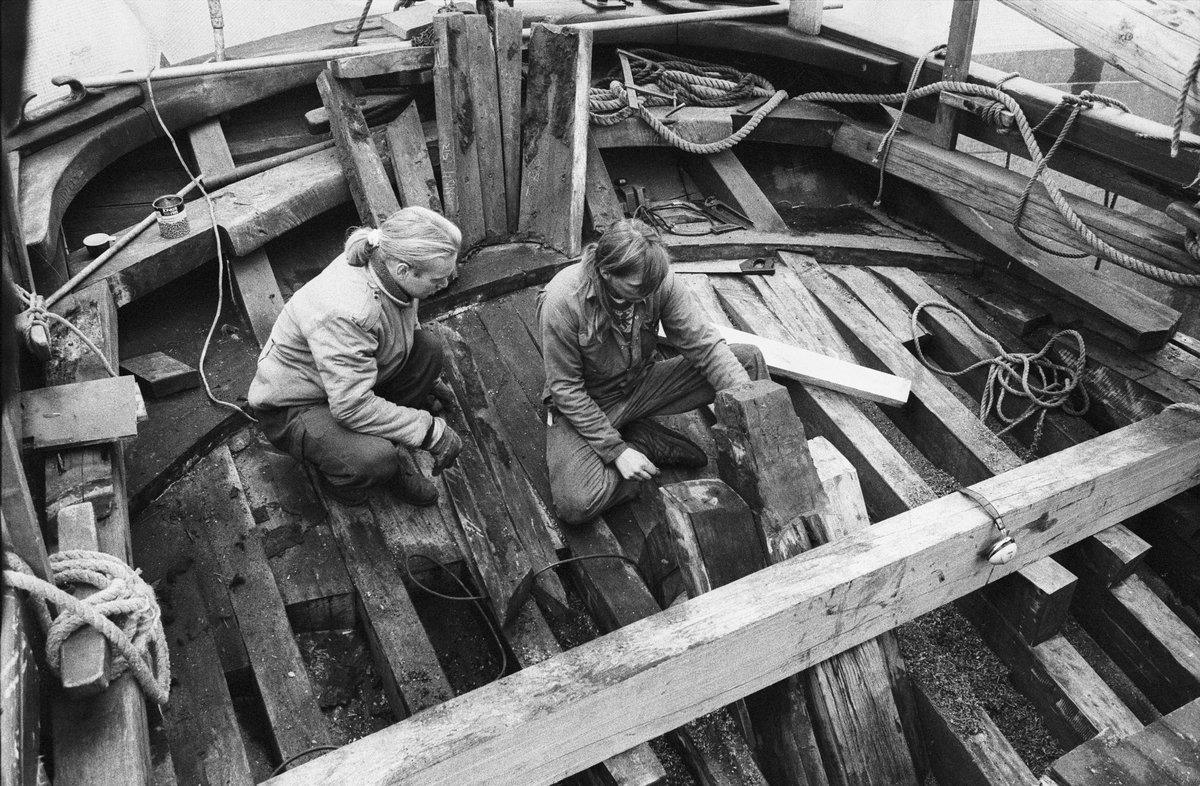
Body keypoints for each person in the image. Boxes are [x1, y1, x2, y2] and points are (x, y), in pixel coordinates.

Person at [538, 218, 769, 525]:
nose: (648, 295)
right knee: (576, 504)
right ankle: (643, 442)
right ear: (606, 272)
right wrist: (618, 452)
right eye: (638, 288)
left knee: (746, 362)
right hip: (589, 403)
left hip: (640, 385)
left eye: (653, 286)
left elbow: (704, 346)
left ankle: (763, 450)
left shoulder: (655, 279)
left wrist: (753, 414)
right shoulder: (562, 302)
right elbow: (566, 389)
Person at [248, 206, 464, 506]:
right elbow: (350, 407)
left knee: (428, 350)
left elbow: (403, 326)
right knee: (375, 460)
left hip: (346, 383)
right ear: (404, 270)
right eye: (438, 279)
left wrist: (429, 381)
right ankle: (345, 478)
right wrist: (430, 432)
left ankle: (387, 437)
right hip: (297, 406)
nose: (446, 283)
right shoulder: (349, 311)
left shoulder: (388, 265)